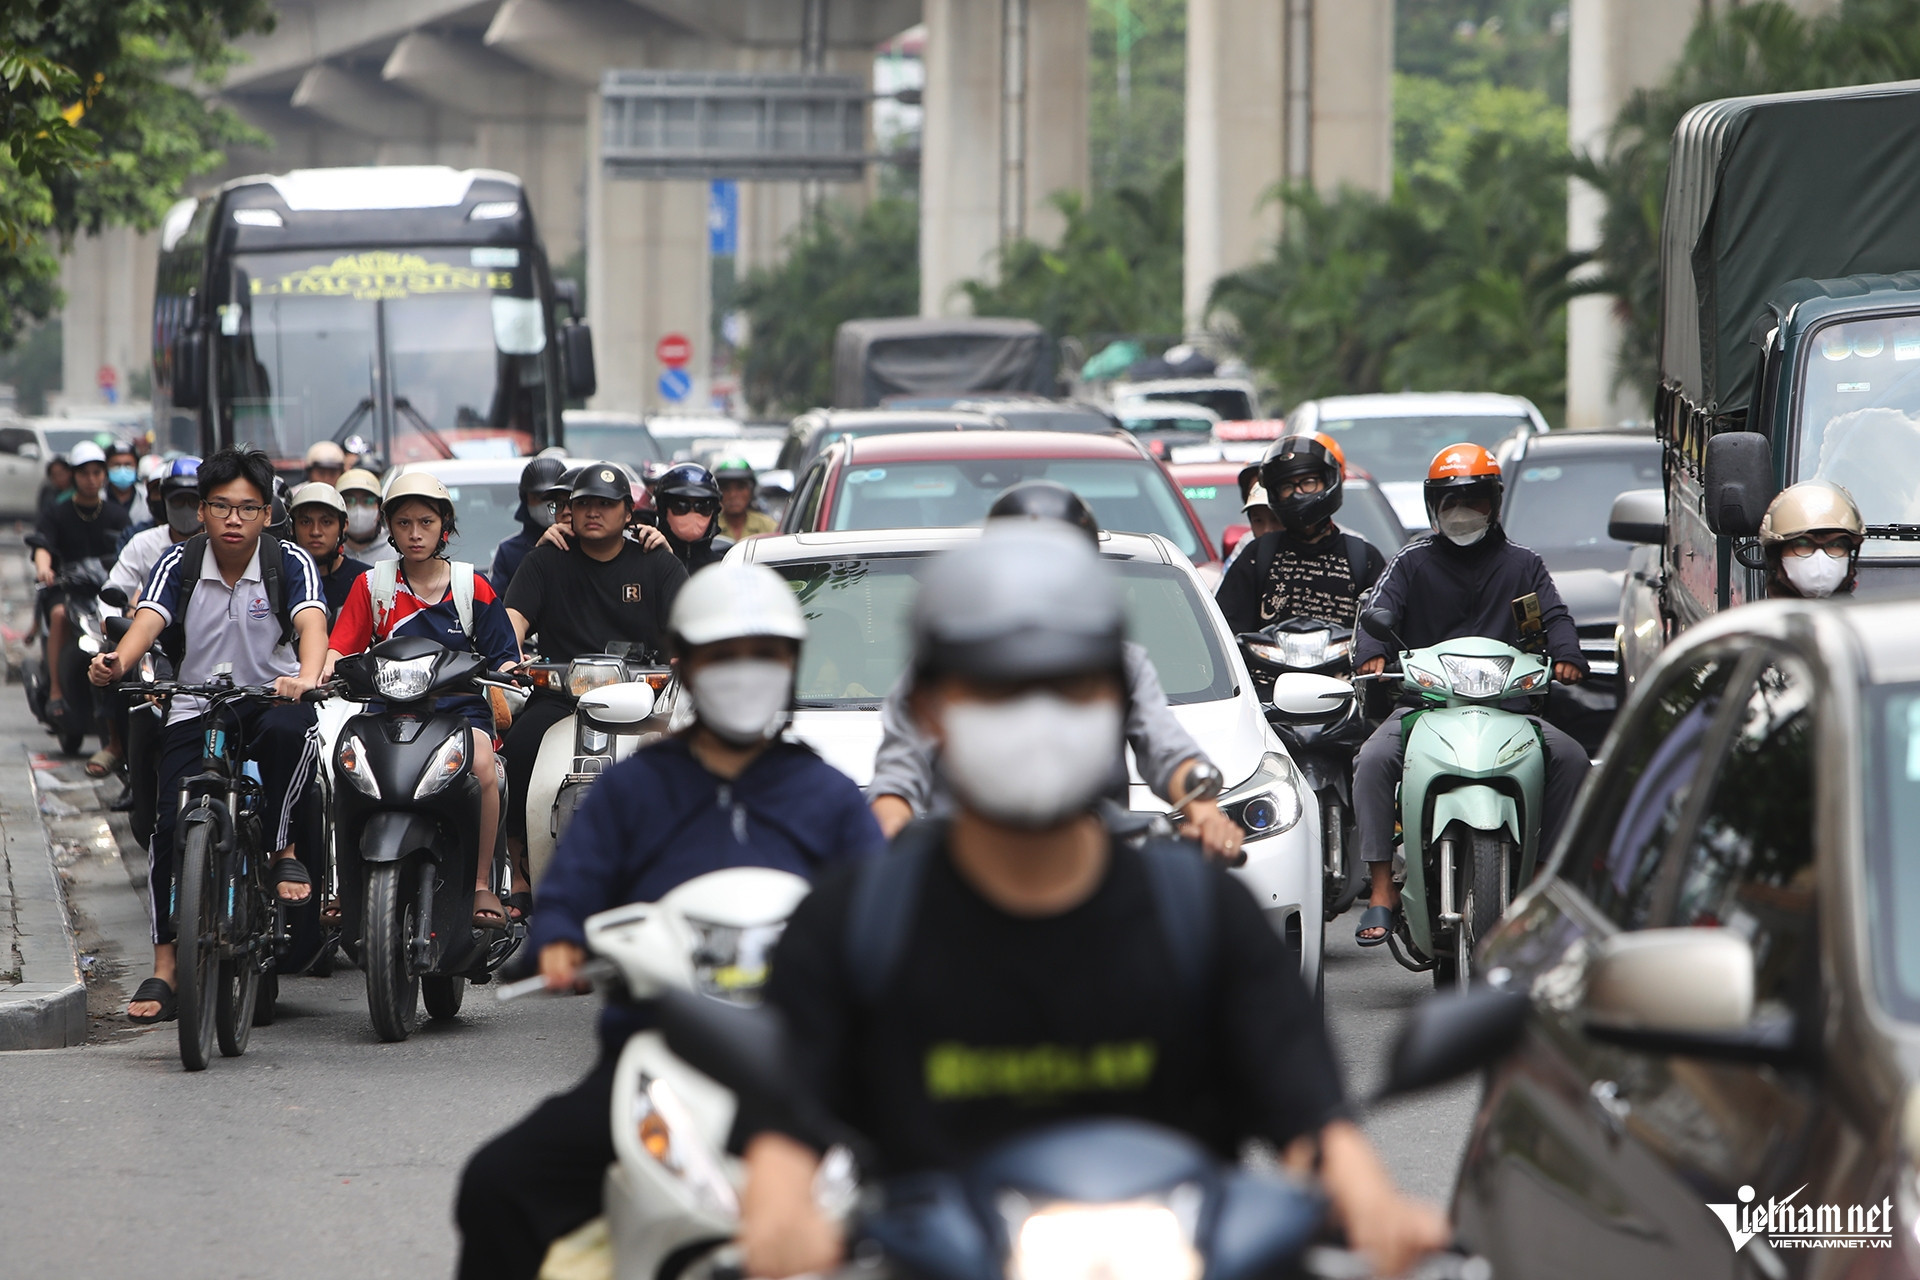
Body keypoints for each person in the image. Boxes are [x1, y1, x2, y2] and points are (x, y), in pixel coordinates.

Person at [731, 523, 1448, 1280]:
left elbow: (1313, 1124)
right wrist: (780, 1223)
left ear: (1115, 701)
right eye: (1000, 686)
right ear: (932, 709)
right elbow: (784, 1136)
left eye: (1068, 684)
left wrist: (1375, 1209)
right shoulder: (853, 924)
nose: (1037, 713)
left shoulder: (1205, 917)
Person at [453, 561, 886, 1280]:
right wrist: (558, 938)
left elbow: (881, 909)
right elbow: (575, 885)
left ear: (792, 665)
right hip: (660, 1060)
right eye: (723, 656)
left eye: (764, 655)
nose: (744, 672)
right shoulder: (633, 789)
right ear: (685, 663)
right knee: (497, 1187)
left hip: (813, 1069)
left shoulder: (832, 797)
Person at [869, 480, 1243, 862]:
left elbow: (1163, 745)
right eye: (996, 691)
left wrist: (1205, 812)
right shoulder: (951, 658)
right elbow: (900, 772)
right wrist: (890, 829)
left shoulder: (1120, 661)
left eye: (1074, 687)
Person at [87, 446, 328, 1024]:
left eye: (247, 508)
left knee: (296, 732)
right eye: (221, 506)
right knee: (169, 822)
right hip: (197, 705)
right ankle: (166, 964)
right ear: (203, 511)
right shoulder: (179, 562)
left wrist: (307, 678)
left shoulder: (288, 561)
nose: (234, 519)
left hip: (268, 699)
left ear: (267, 513)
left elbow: (311, 621)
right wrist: (118, 662)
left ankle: (283, 850)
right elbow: (148, 620)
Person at [1349, 443, 1589, 946]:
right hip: (1426, 707)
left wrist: (1567, 654)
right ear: (1433, 506)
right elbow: (1378, 607)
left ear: (1494, 504)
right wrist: (1370, 652)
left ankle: (1543, 884)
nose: (1461, 512)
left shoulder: (1524, 566)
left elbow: (1554, 616)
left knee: (1571, 757)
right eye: (1450, 501)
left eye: (1473, 500)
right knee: (1372, 761)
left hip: (1509, 709)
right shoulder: (1411, 562)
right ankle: (1380, 890)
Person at [324, 471, 523, 926]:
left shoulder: (474, 587)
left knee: (484, 768)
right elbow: (340, 648)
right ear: (389, 527)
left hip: (460, 711)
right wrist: (318, 674)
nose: (415, 533)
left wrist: (517, 674)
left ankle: (480, 887)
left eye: (427, 522)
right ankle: (342, 886)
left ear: (444, 527)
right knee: (342, 767)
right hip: (385, 714)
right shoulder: (372, 586)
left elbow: (504, 658)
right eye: (404, 522)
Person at [499, 463, 688, 890]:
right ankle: (517, 863)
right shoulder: (546, 560)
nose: (593, 513)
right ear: (568, 510)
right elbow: (512, 622)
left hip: (647, 699)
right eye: (583, 504)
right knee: (515, 752)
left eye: (605, 504)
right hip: (562, 695)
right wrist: (509, 658)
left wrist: (683, 656)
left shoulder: (656, 561)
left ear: (628, 512)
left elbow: (689, 621)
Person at [1215, 434, 1386, 637]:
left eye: (1308, 482)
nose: (1297, 494)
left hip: (1344, 668)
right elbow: (1225, 630)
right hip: (1269, 669)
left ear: (1328, 482)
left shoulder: (1362, 557)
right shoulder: (1257, 554)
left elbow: (1386, 628)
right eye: (1287, 487)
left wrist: (1373, 651)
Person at [31, 441, 130, 727]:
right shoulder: (57, 512)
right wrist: (44, 568)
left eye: (97, 472)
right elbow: (42, 545)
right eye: (84, 473)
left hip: (104, 593)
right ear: (74, 475)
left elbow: (131, 554)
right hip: (65, 591)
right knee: (59, 615)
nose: (91, 479)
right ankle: (56, 692)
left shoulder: (117, 515)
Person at [1759, 480, 1865, 599]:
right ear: (1777, 556)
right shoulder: (1756, 617)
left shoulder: (1867, 617)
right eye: (1803, 544)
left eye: (1835, 545)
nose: (1820, 559)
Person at [288, 482, 371, 619]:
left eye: (326, 522)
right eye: (305, 522)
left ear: (344, 525)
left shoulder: (366, 580)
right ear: (292, 527)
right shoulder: (279, 580)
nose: (315, 532)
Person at [489, 455, 567, 592]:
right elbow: (497, 607)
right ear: (526, 500)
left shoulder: (585, 543)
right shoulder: (509, 551)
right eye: (538, 498)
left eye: (554, 500)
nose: (547, 506)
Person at [651, 462, 730, 572]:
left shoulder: (725, 567)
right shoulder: (646, 564)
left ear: (714, 513)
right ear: (663, 509)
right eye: (680, 506)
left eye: (703, 507)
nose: (692, 513)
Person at [337, 467, 396, 563]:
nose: (358, 509)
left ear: (379, 510)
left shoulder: (396, 550)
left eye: (367, 501)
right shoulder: (329, 551)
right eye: (349, 501)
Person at [714, 457, 777, 541]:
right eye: (726, 488)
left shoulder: (768, 527)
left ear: (751, 491)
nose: (733, 495)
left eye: (740, 487)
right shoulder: (710, 528)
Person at [102, 440, 141, 521]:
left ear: (136, 467)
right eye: (116, 465)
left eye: (128, 465)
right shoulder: (98, 497)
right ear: (107, 468)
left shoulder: (146, 498)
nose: (122, 470)